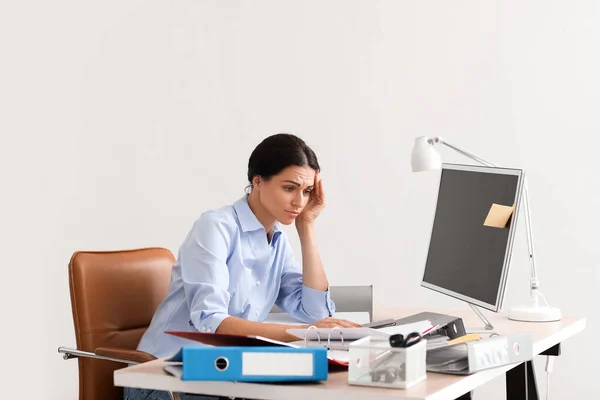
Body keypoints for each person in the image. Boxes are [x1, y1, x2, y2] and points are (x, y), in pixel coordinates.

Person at [125, 133, 360, 400]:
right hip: (164, 380)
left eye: (306, 192)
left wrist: (306, 227)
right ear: (257, 181)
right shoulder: (215, 227)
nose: (299, 202)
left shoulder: (277, 241)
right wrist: (307, 334)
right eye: (289, 188)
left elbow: (313, 311)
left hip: (222, 376)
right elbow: (211, 321)